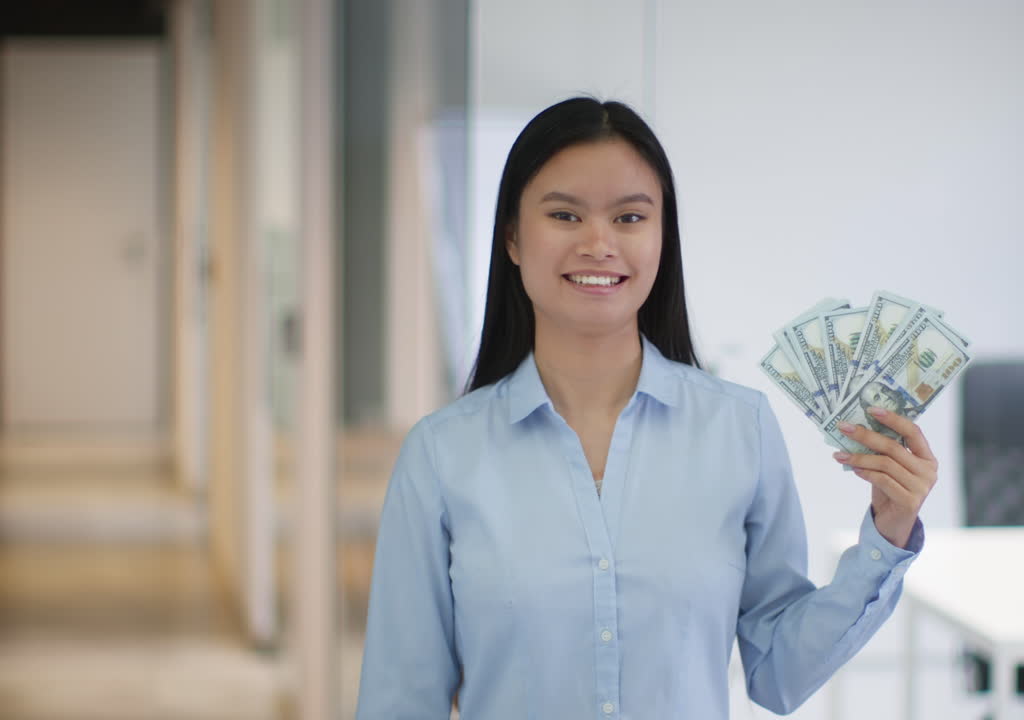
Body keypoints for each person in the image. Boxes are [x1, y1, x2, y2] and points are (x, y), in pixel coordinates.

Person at [355, 97, 938, 719]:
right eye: (564, 215)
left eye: (630, 217)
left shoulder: (739, 430)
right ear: (513, 238)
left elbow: (779, 670)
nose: (599, 243)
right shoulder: (442, 456)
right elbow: (401, 698)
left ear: (663, 239)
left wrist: (887, 531)